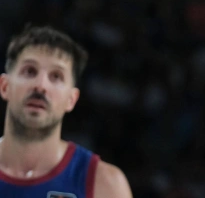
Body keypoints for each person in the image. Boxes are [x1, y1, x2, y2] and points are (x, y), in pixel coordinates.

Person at [0, 25, 133, 198]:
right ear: (5, 86)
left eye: (56, 76)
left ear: (71, 99)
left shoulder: (105, 184)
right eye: (30, 71)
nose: (41, 86)